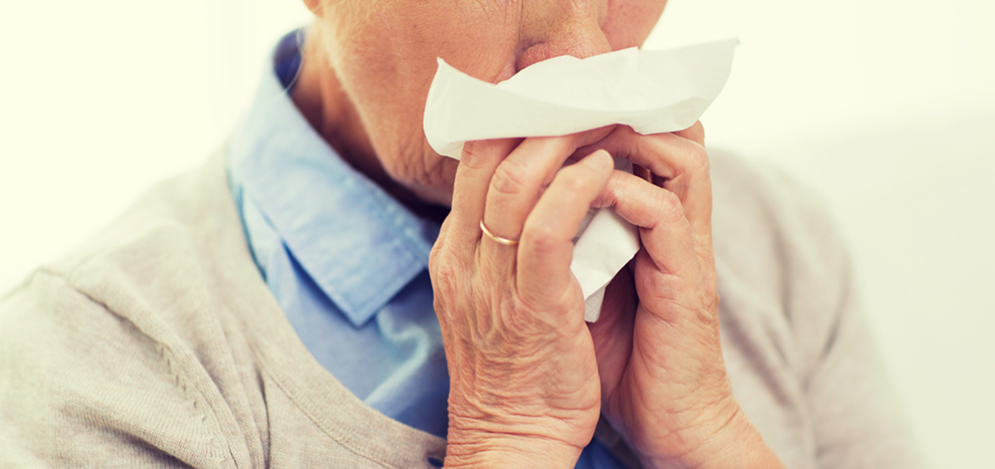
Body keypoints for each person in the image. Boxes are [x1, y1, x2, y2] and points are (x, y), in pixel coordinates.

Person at [0, 0, 927, 468]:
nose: (578, 53)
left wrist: (709, 436)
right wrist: (508, 437)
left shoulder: (777, 244)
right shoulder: (101, 364)